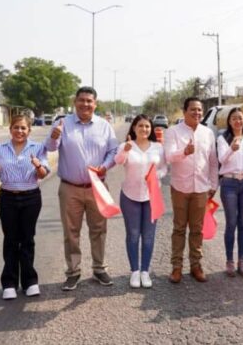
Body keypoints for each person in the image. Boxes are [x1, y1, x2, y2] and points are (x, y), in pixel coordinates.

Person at [45, 86, 119, 291]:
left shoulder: (104, 126)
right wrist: (54, 135)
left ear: (95, 104)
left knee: (98, 229)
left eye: (89, 101)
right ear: (74, 102)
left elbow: (114, 150)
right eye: (81, 100)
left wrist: (105, 166)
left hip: (97, 187)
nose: (85, 104)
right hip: (70, 188)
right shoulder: (62, 123)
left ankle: (99, 268)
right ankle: (73, 272)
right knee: (71, 232)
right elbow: (50, 148)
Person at [0, 115, 50, 300]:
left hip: (30, 198)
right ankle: (9, 283)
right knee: (10, 240)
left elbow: (43, 174)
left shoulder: (38, 148)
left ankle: (30, 281)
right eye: (16, 127)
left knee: (27, 239)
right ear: (10, 129)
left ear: (29, 130)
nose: (19, 131)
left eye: (23, 128)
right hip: (7, 198)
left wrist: (38, 165)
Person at [164, 97, 218, 283]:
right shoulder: (173, 132)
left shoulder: (208, 133)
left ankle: (196, 265)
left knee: (197, 229)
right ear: (184, 111)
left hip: (201, 189)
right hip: (180, 187)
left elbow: (212, 162)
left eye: (199, 110)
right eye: (193, 110)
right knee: (179, 228)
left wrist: (213, 185)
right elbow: (169, 157)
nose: (197, 113)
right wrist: (184, 152)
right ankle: (176, 267)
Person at [114, 114, 167, 289]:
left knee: (149, 235)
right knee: (133, 234)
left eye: (147, 126)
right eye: (140, 126)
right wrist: (126, 150)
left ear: (151, 129)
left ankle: (145, 271)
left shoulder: (158, 147)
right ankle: (134, 271)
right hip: (130, 196)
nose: (144, 129)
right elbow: (118, 161)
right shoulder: (126, 146)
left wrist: (155, 176)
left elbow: (164, 169)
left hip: (152, 197)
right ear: (134, 128)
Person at [217, 108, 243, 277]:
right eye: (234, 118)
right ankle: (229, 261)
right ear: (229, 121)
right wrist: (231, 149)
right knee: (231, 223)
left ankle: (242, 260)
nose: (237, 121)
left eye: (240, 118)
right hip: (229, 183)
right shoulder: (222, 139)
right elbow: (221, 160)